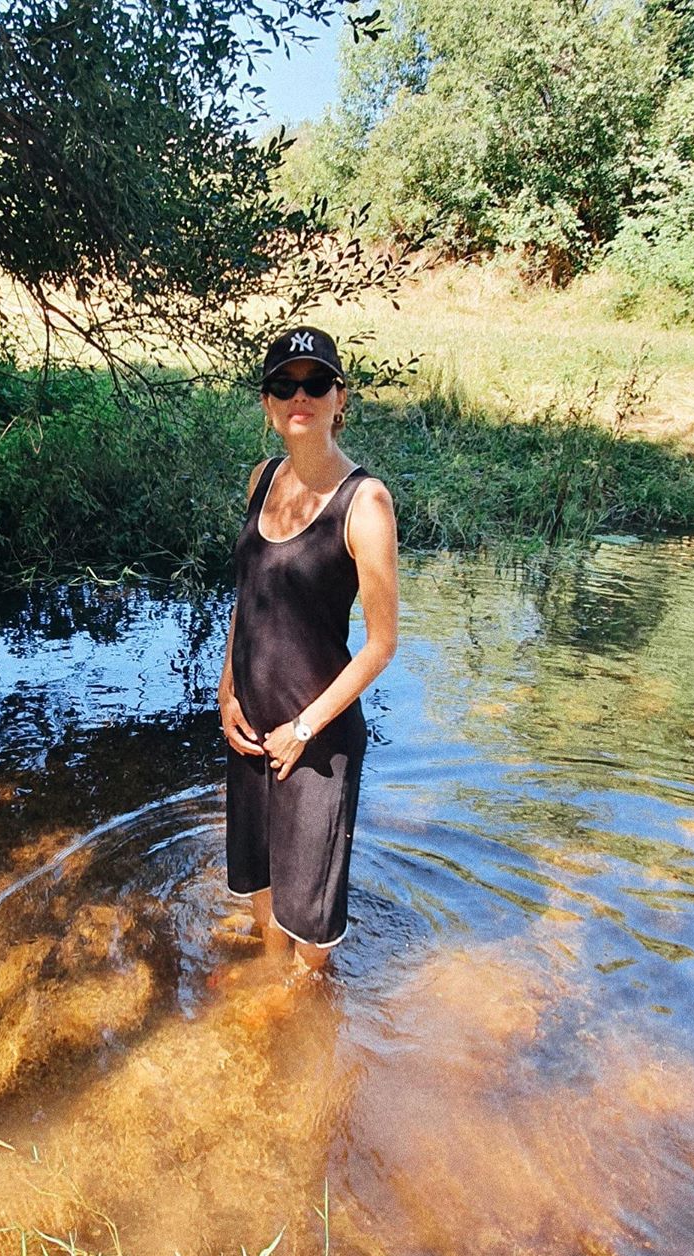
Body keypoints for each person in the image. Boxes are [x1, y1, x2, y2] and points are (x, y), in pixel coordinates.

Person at [218, 327, 399, 974]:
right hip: (251, 728)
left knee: (311, 938)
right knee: (263, 900)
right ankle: (263, 1015)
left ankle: (301, 1047)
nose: (302, 396)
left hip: (315, 742)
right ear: (267, 404)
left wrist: (303, 728)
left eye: (316, 383)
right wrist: (227, 691)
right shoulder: (261, 479)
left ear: (339, 399)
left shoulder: (366, 503)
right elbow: (251, 595)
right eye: (284, 385)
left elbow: (381, 646)